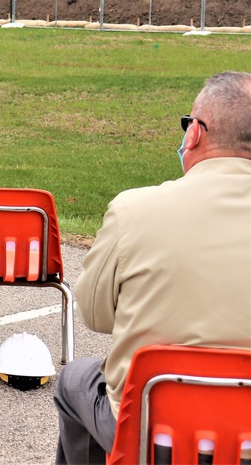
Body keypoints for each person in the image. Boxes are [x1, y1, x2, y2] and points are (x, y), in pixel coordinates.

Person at [54, 70, 251, 464]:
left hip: (154, 432)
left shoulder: (135, 210)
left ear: (194, 133)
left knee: (74, 380)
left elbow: (96, 315)